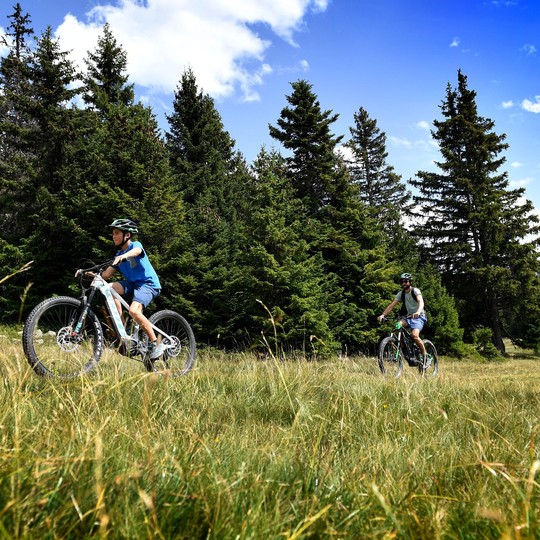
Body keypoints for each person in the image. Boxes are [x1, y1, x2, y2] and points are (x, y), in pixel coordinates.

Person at [102, 218, 163, 360]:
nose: (114, 236)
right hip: (134, 285)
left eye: (117, 233)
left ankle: (156, 344)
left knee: (134, 311)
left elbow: (137, 251)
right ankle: (122, 331)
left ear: (127, 235)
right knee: (108, 288)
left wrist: (124, 256)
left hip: (148, 284)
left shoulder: (135, 246)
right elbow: (105, 275)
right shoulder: (118, 256)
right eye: (113, 233)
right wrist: (91, 274)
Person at [377, 272, 428, 364]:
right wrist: (383, 315)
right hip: (409, 317)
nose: (403, 283)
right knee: (398, 325)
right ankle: (406, 352)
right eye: (402, 282)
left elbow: (421, 302)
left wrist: (418, 312)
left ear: (410, 282)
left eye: (405, 281)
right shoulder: (401, 294)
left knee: (415, 335)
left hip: (419, 317)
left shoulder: (415, 291)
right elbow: (391, 305)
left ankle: (425, 356)